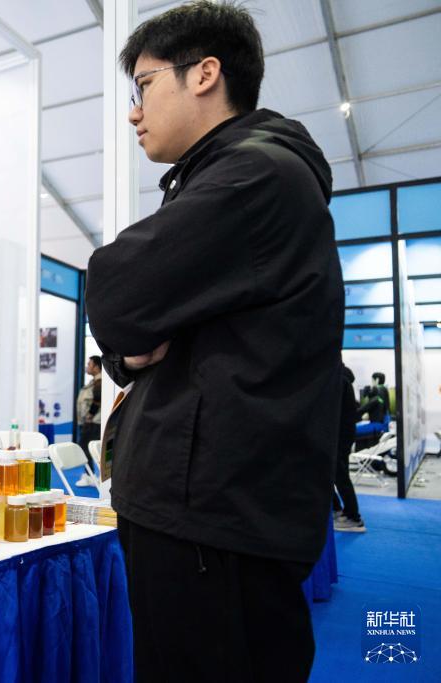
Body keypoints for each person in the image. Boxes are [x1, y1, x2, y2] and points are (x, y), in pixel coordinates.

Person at [84, 3, 343, 681]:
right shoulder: (230, 178)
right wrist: (132, 348)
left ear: (203, 74)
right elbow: (128, 332)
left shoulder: (255, 177)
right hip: (206, 515)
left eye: (143, 86)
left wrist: (133, 333)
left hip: (211, 524)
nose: (134, 112)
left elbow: (112, 289)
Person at [334, 363, 364, 532]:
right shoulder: (342, 378)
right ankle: (340, 510)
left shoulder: (339, 379)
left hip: (340, 435)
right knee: (335, 474)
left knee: (340, 476)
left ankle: (354, 517)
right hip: (343, 434)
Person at [75, 355, 103, 485]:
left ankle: (89, 476)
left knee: (86, 448)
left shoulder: (99, 382)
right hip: (91, 422)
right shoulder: (94, 382)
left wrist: (90, 415)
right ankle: (91, 475)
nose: (87, 367)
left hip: (93, 422)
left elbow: (97, 400)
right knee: (87, 448)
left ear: (97, 367)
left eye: (89, 364)